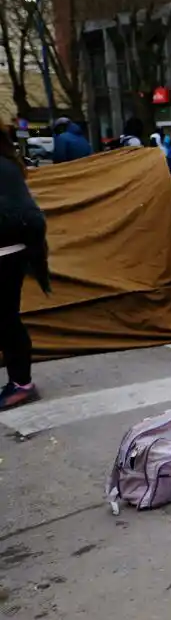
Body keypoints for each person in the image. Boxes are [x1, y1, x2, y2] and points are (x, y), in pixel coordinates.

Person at [0, 129, 51, 410]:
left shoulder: (3, 166)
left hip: (6, 253)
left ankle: (22, 383)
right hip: (11, 250)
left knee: (6, 320)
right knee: (6, 320)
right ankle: (20, 381)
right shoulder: (8, 163)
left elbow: (16, 214)